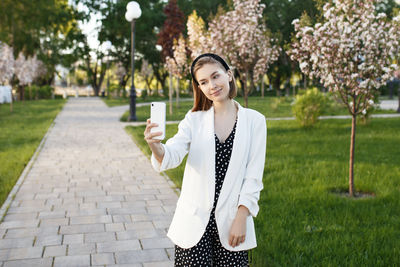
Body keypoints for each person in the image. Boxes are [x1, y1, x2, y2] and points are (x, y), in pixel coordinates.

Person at [144, 53, 267, 266]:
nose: (212, 85)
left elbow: (253, 177)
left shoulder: (255, 121)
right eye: (203, 82)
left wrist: (242, 218)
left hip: (231, 222)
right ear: (199, 88)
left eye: (215, 76)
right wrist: (155, 146)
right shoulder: (194, 120)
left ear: (229, 75)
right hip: (194, 222)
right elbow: (171, 155)